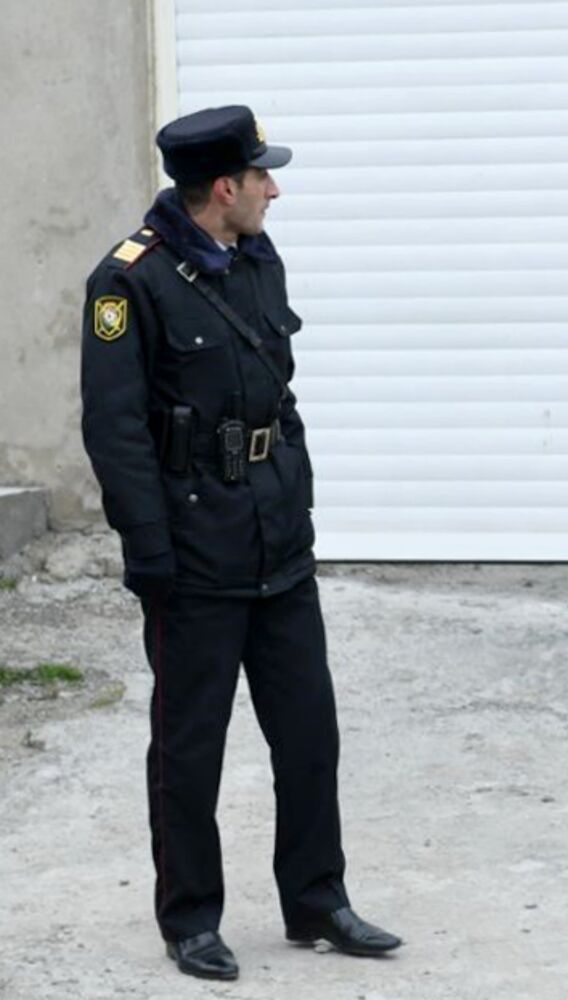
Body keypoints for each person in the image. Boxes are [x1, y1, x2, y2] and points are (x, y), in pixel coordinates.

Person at [80, 105, 401, 981]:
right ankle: (190, 919)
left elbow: (277, 393)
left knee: (309, 737)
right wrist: (148, 548)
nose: (273, 189)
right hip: (193, 553)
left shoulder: (257, 258)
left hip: (276, 542)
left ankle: (318, 900)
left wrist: (295, 493)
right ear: (224, 187)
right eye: (263, 176)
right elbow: (114, 430)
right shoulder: (128, 282)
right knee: (191, 749)